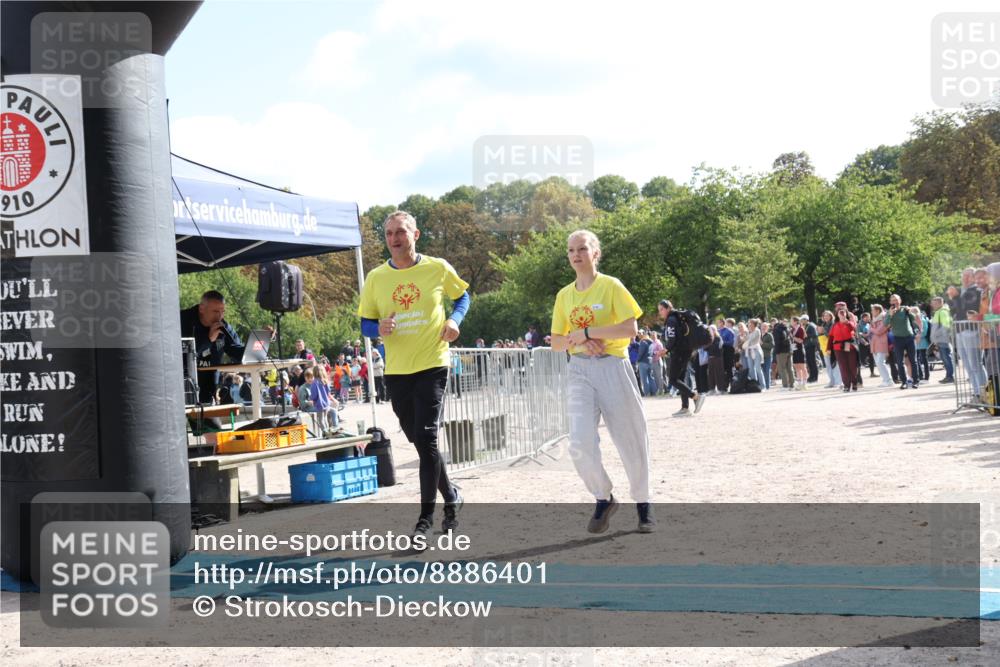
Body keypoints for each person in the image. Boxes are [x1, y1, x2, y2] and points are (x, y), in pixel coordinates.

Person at [358, 210, 471, 539]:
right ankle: (451, 497)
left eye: (401, 232)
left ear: (415, 235)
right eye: (389, 233)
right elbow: (366, 322)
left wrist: (455, 320)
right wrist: (378, 327)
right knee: (422, 444)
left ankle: (424, 520)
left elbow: (462, 296)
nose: (394, 239)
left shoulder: (436, 267)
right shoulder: (377, 278)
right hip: (397, 372)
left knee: (427, 439)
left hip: (433, 364)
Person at [551, 229, 654, 533]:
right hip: (580, 369)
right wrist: (580, 343)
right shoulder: (564, 295)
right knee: (579, 443)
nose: (575, 255)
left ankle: (644, 504)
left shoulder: (611, 286)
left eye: (582, 249)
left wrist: (587, 333)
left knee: (631, 439)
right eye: (571, 250)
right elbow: (557, 341)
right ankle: (604, 497)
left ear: (595, 253)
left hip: (613, 367)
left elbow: (629, 328)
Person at [179, 290, 246, 405]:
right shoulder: (182, 321)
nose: (219, 316)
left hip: (209, 389)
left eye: (222, 312)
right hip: (183, 388)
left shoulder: (223, 326)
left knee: (211, 423)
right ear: (201, 309)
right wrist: (209, 340)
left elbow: (238, 353)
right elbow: (181, 357)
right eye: (215, 311)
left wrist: (258, 343)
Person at [659, 300, 707, 415]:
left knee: (673, 380)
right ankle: (685, 408)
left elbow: (672, 338)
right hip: (686, 351)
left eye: (661, 309)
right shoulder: (678, 317)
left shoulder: (671, 320)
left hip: (679, 352)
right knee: (680, 379)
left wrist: (666, 349)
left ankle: (695, 396)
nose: (660, 312)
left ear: (668, 308)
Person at [887, 294, 919, 389]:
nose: (895, 302)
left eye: (896, 300)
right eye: (893, 300)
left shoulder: (905, 309)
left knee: (913, 361)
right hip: (897, 339)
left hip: (909, 338)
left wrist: (909, 312)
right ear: (890, 302)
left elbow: (914, 318)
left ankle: (915, 381)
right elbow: (885, 324)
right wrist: (890, 315)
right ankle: (904, 382)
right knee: (900, 362)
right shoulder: (889, 312)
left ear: (900, 301)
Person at [828, 308, 859, 392]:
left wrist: (845, 320)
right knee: (843, 367)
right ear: (837, 315)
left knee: (852, 365)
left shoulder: (850, 322)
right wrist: (828, 348)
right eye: (839, 313)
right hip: (838, 347)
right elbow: (831, 337)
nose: (841, 314)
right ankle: (846, 385)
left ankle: (854, 383)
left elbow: (853, 328)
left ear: (846, 314)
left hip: (849, 345)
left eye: (843, 312)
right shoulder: (834, 325)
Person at [929, 296, 954, 383]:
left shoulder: (942, 312)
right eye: (932, 303)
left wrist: (936, 335)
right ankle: (949, 376)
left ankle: (950, 376)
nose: (932, 305)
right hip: (941, 339)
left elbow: (945, 326)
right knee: (945, 358)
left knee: (946, 358)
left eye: (934, 303)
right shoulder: (939, 312)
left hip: (943, 339)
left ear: (940, 303)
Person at [868, 304, 893, 387]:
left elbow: (879, 331)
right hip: (874, 343)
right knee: (878, 363)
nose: (871, 312)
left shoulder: (884, 318)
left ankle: (889, 380)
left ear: (878, 311)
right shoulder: (873, 320)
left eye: (872, 310)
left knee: (880, 362)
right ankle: (885, 380)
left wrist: (871, 329)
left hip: (882, 342)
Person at [772, 317, 793, 390]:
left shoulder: (776, 329)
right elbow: (791, 338)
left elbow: (777, 342)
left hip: (781, 351)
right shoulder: (786, 328)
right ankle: (791, 384)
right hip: (789, 350)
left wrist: (776, 351)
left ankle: (785, 385)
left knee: (782, 368)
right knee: (790, 368)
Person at [760, 321, 774, 391]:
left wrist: (762, 344)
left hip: (767, 356)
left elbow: (771, 345)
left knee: (767, 371)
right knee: (761, 371)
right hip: (760, 356)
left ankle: (767, 386)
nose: (763, 328)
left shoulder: (769, 335)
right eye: (762, 326)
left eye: (765, 327)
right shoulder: (758, 335)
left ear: (767, 328)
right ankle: (762, 385)